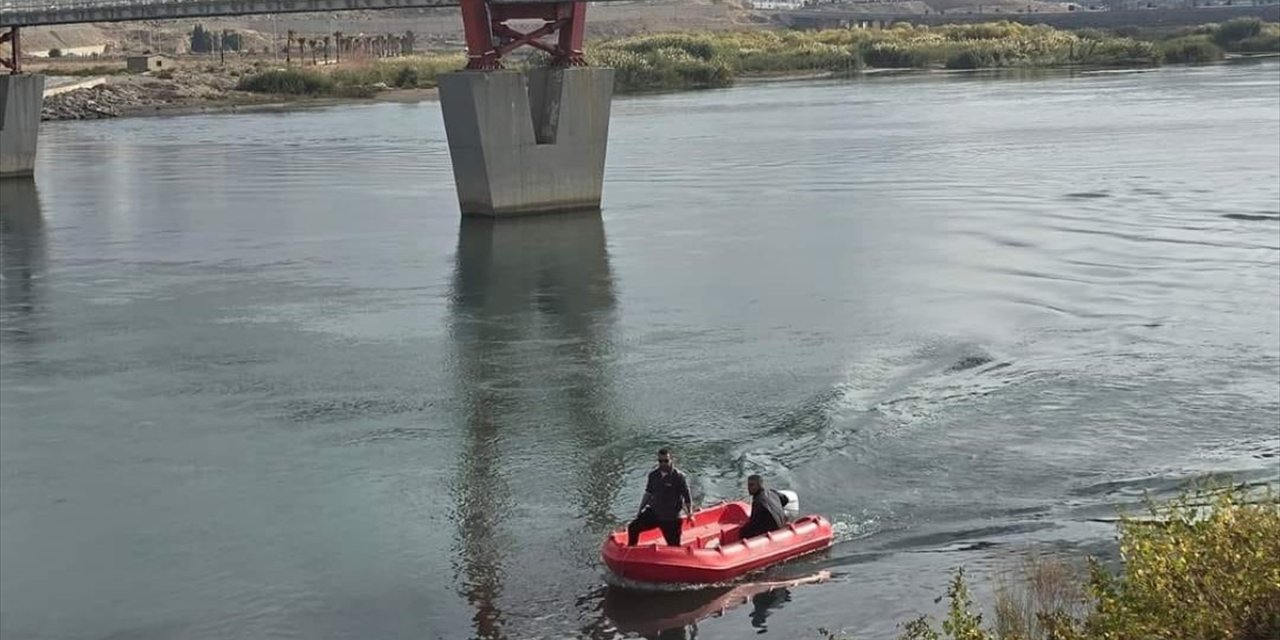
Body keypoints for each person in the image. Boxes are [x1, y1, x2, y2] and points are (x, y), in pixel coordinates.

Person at [628, 448, 694, 546]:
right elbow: (648, 493)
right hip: (654, 513)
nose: (663, 464)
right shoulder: (653, 475)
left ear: (671, 460)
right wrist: (640, 510)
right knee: (633, 527)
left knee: (674, 547)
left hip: (671, 518)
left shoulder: (679, 477)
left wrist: (690, 513)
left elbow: (687, 496)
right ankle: (631, 551)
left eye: (666, 461)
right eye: (660, 461)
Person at [738, 474, 790, 541]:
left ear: (759, 485)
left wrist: (742, 531)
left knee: (743, 531)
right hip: (782, 524)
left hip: (773, 530)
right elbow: (786, 499)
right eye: (748, 485)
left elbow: (753, 523)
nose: (748, 488)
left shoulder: (758, 502)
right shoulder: (772, 492)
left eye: (751, 485)